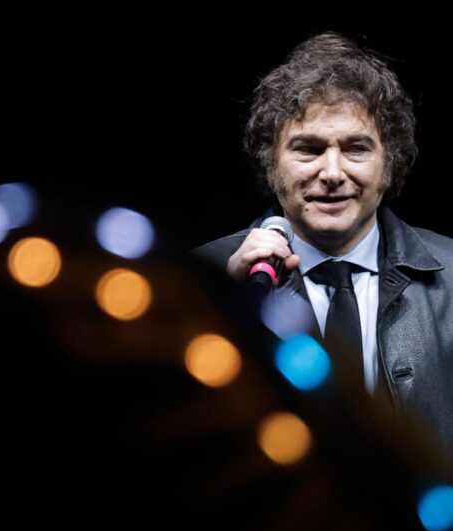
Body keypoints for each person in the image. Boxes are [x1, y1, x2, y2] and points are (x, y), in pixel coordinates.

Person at [193, 31, 453, 465]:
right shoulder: (203, 280)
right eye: (308, 149)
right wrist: (223, 309)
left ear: (389, 164)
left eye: (355, 148)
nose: (332, 172)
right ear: (270, 162)